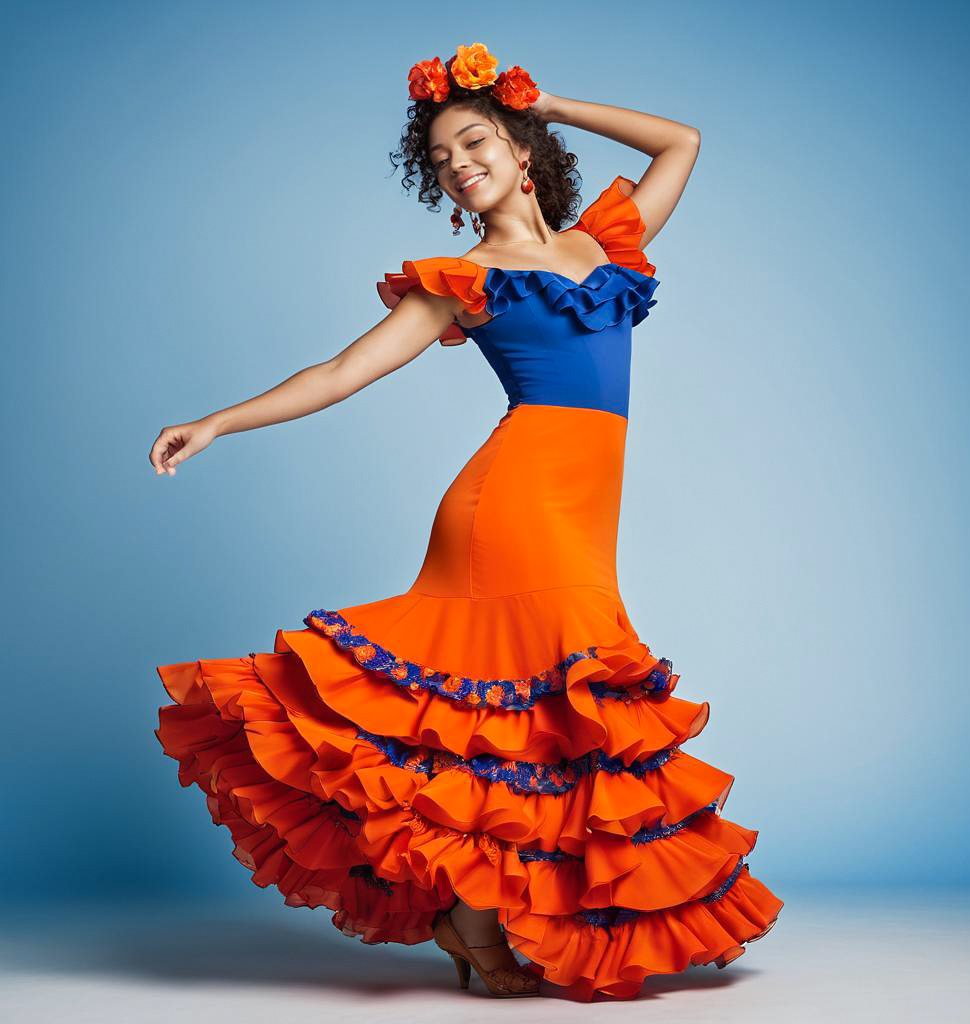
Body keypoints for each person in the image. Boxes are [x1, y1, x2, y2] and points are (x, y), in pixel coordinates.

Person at [149, 41, 783, 1001]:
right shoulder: (461, 277)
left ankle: (474, 926)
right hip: (511, 505)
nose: (458, 163)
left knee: (521, 717)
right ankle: (478, 926)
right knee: (518, 705)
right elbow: (339, 372)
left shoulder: (604, 243)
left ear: (520, 148)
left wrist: (547, 101)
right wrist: (217, 422)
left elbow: (681, 142)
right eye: (442, 156)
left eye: (474, 141)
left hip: (581, 506)